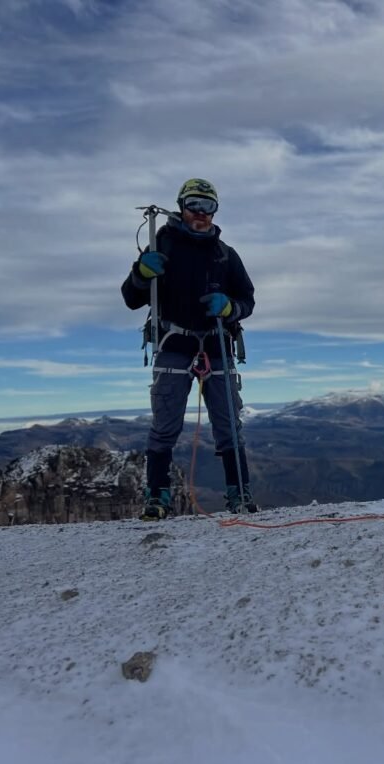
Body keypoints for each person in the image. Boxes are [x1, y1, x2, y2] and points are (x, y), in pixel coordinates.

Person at [121, 178, 259, 519]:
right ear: (181, 207)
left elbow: (247, 300)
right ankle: (157, 497)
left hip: (216, 344)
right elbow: (131, 298)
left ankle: (239, 495)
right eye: (195, 205)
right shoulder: (160, 246)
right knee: (165, 424)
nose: (201, 214)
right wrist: (141, 272)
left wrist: (229, 308)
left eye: (209, 207)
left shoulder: (225, 255)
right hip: (174, 343)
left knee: (227, 423)